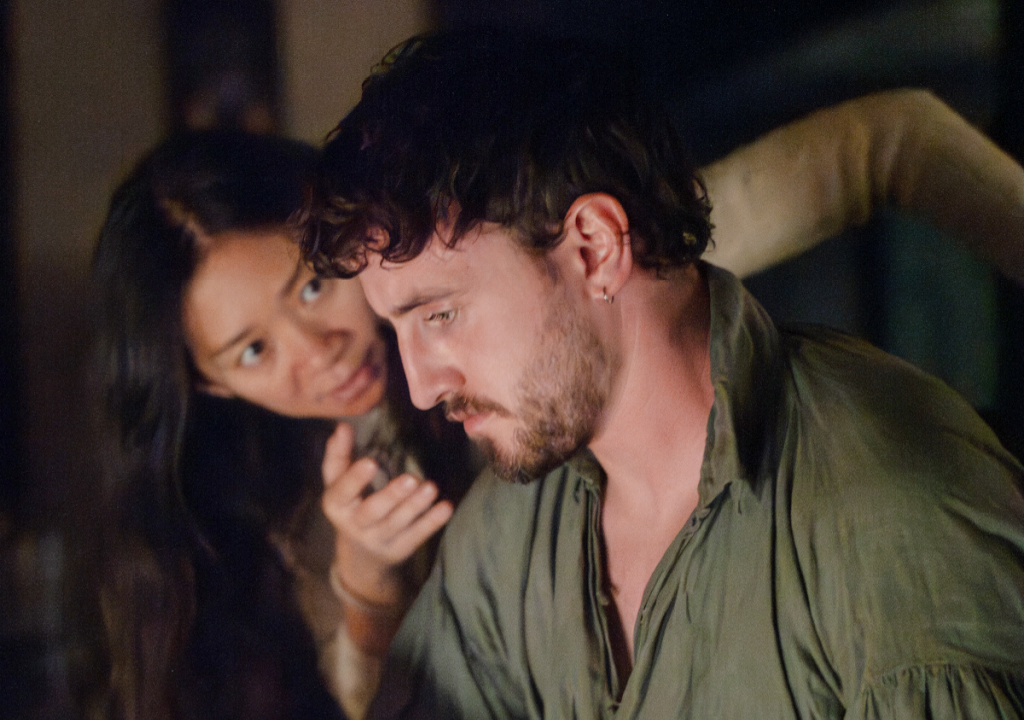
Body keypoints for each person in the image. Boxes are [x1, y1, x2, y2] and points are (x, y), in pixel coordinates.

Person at [92, 88, 1024, 718]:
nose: (321, 350)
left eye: (308, 287)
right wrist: (368, 587)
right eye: (253, 351)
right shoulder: (245, 522)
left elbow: (891, 140)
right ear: (210, 381)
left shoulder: (566, 266)